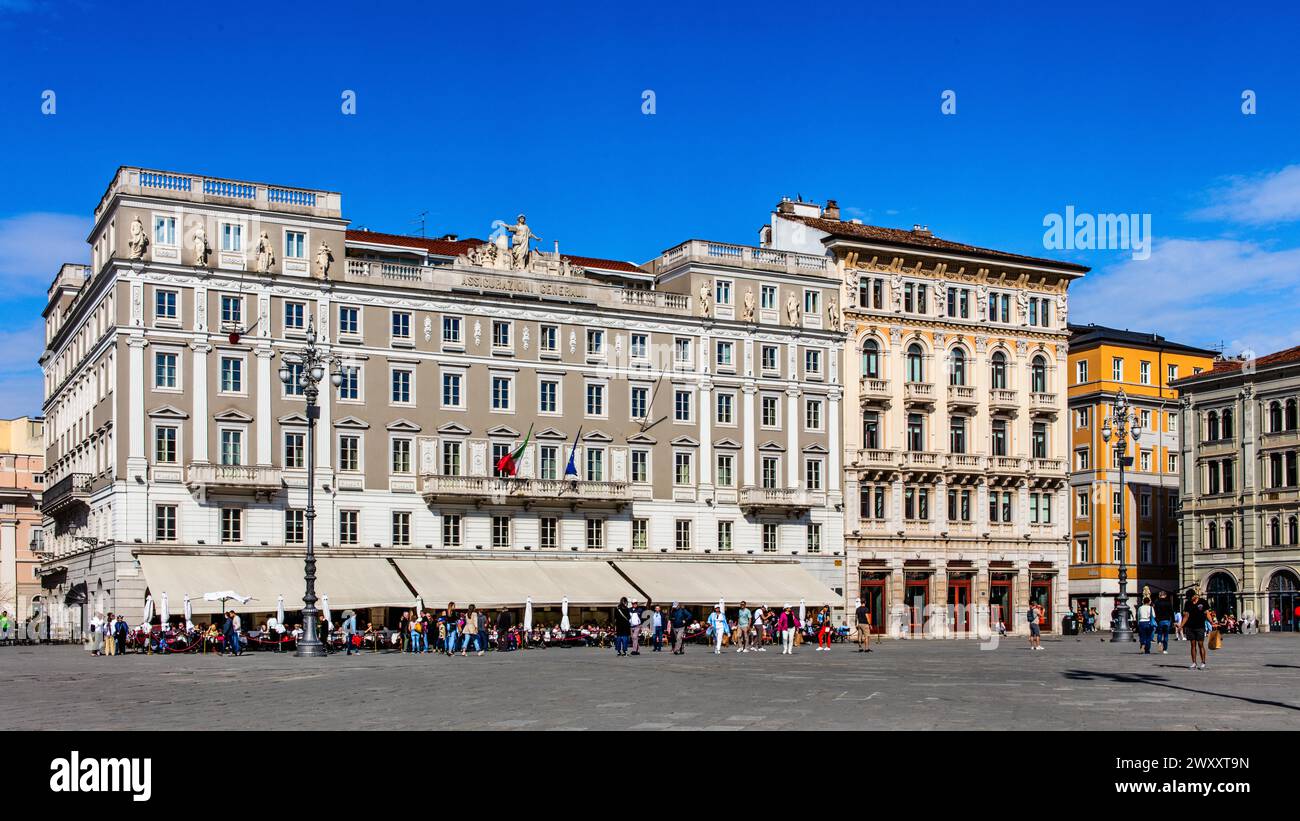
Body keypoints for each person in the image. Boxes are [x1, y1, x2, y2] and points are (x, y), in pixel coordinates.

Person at [1182, 591, 1210, 670]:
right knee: (1192, 645)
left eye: (1190, 597)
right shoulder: (1188, 603)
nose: (1189, 599)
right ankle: (1194, 663)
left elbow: (1207, 613)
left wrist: (1212, 622)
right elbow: (1186, 616)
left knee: (1200, 644)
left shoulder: (1203, 602)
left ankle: (1203, 662)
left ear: (1194, 596)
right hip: (1190, 626)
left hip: (1200, 626)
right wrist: (1181, 626)